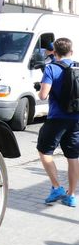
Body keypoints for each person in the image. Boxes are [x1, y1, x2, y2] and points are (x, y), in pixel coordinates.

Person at [36, 37, 78, 207]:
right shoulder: (77, 66)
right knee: (73, 156)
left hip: (57, 118)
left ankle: (56, 187)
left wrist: (41, 87)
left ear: (55, 52)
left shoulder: (51, 68)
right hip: (76, 119)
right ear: (71, 52)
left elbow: (43, 95)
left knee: (44, 151)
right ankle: (71, 195)